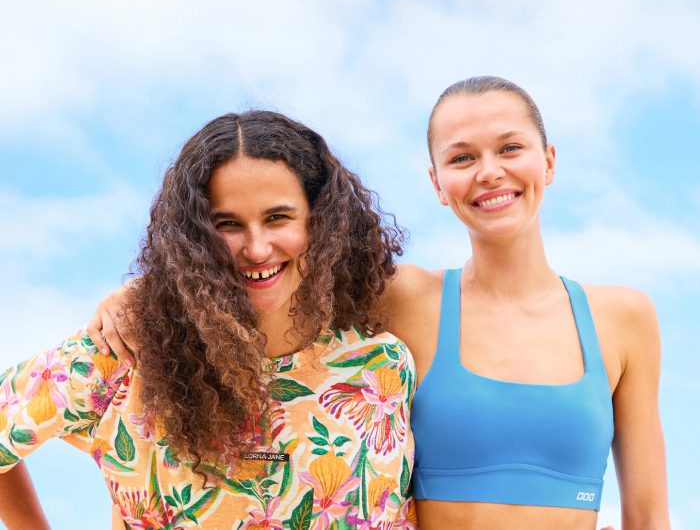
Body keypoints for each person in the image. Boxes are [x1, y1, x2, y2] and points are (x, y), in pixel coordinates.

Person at [86, 77, 670, 530]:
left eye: (510, 147)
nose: (489, 172)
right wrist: (139, 293)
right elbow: (266, 275)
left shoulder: (622, 319)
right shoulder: (405, 299)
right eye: (462, 158)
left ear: (548, 160)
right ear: (438, 184)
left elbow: (646, 516)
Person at [0, 111, 417, 530]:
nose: (256, 249)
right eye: (227, 225)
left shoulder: (381, 366)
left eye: (277, 217)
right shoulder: (122, 355)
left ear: (321, 219)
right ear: (193, 238)